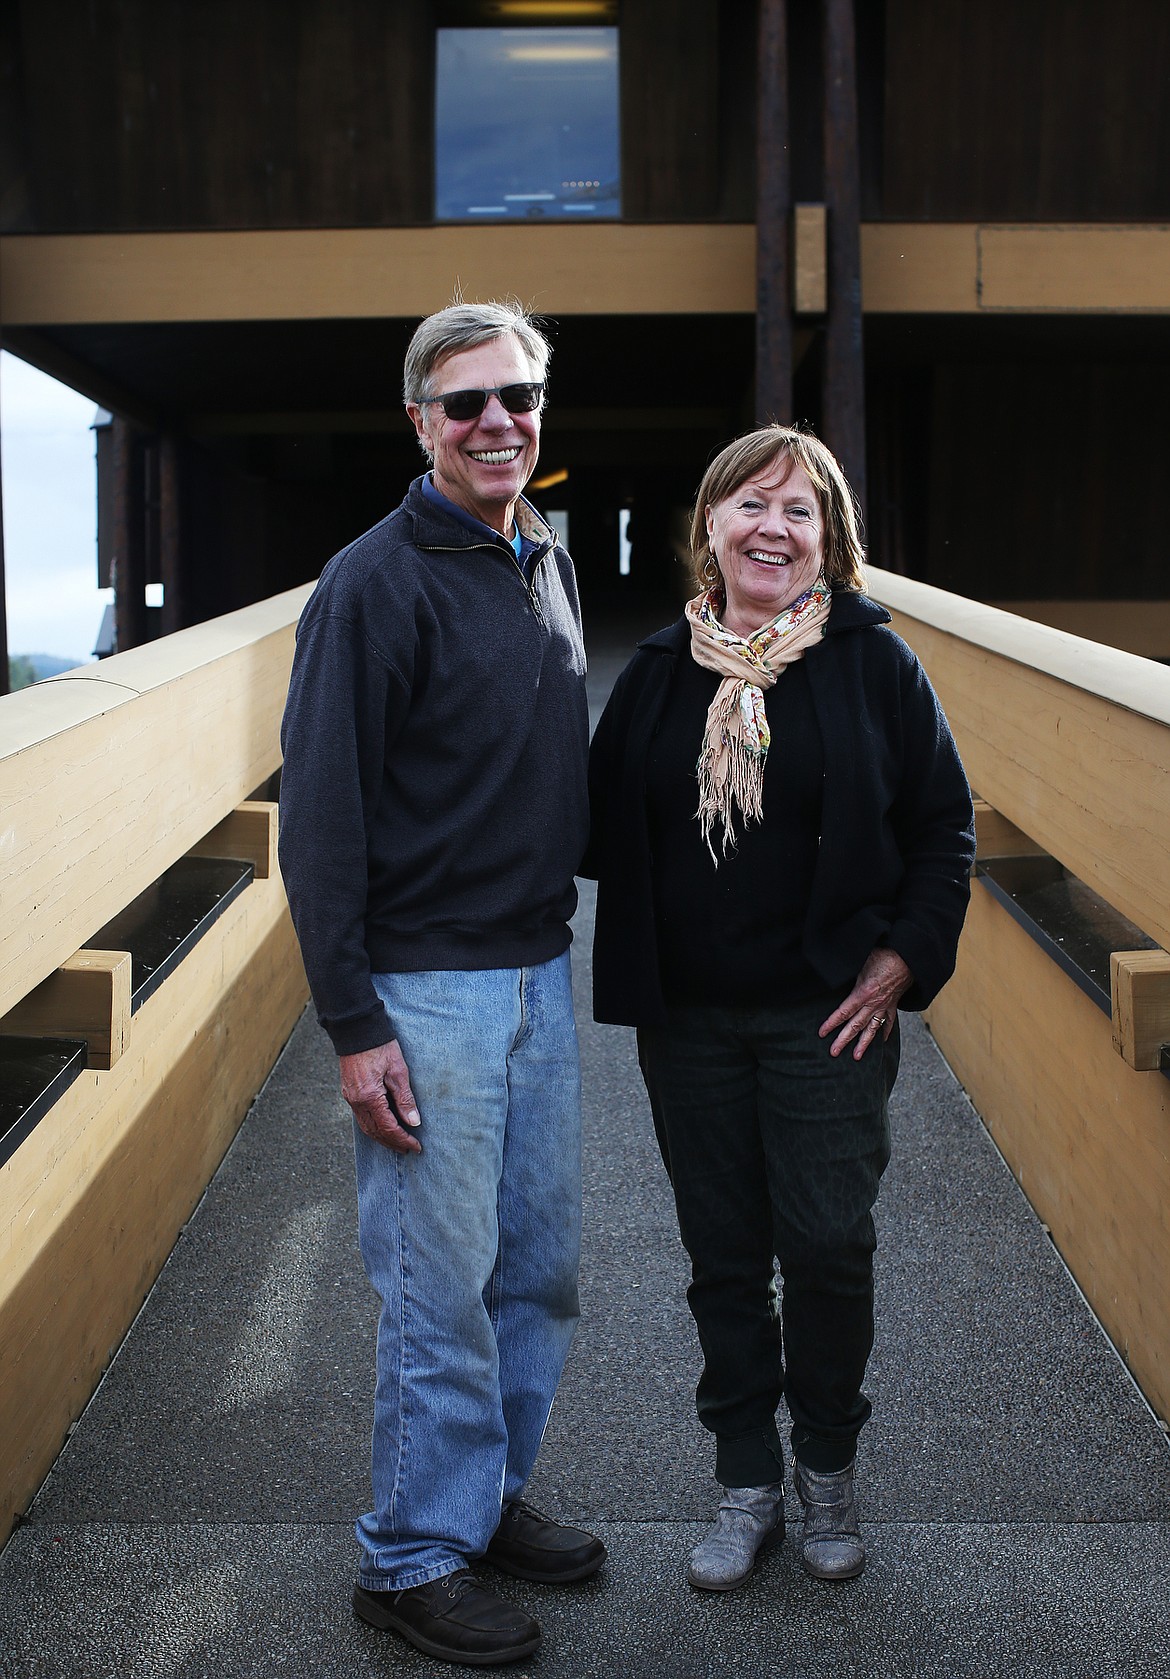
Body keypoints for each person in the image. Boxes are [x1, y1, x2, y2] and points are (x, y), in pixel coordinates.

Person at [585, 424, 974, 1593]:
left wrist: (900, 963)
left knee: (827, 1246)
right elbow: (590, 826)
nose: (771, 526)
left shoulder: (875, 664)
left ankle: (832, 1468)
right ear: (709, 526)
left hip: (829, 1016)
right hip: (691, 1022)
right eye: (750, 504)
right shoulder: (658, 671)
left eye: (798, 511)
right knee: (720, 1256)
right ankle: (746, 1478)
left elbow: (942, 833)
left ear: (829, 541)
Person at [278, 300, 604, 1667]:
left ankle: (481, 1498)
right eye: (463, 402)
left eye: (515, 397)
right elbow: (322, 821)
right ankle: (409, 1557)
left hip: (537, 973)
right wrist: (356, 1026)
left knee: (537, 1270)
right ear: (418, 420)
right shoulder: (373, 582)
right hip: (428, 993)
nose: (495, 422)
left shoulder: (539, 551)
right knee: (437, 1283)